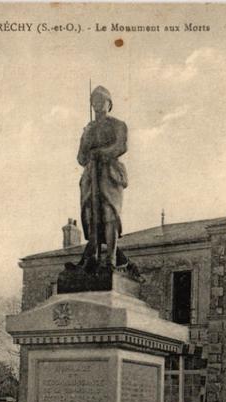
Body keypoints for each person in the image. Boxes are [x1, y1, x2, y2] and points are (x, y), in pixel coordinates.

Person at [77, 86, 128, 270]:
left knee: (109, 214)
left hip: (110, 174)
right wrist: (89, 150)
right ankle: (93, 257)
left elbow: (120, 146)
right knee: (91, 215)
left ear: (110, 103)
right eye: (95, 101)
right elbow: (80, 157)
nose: (98, 105)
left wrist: (100, 152)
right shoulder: (88, 130)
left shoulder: (117, 124)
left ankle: (111, 260)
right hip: (91, 176)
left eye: (102, 100)